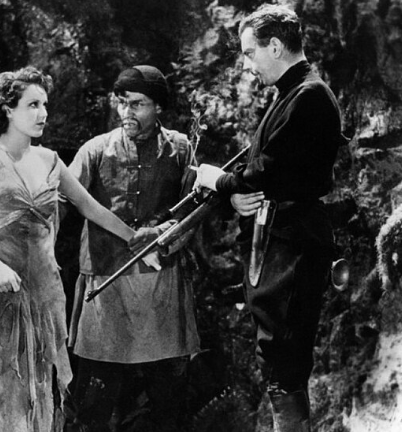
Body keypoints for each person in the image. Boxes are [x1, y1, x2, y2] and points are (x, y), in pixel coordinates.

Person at [0, 66, 140, 432]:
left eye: (45, 104)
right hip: (2, 290)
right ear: (7, 109)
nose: (43, 113)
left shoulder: (50, 159)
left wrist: (136, 238)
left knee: (42, 394)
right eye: (32, 105)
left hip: (46, 291)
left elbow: (91, 208)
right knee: (6, 395)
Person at [194, 5, 348, 432]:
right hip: (281, 240)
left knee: (285, 357)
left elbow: (268, 171)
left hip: (294, 246)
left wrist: (220, 181)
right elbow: (268, 173)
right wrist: (237, 194)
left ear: (275, 46)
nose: (247, 64)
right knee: (279, 356)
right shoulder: (292, 93)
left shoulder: (308, 96)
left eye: (250, 53)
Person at [65, 65, 201, 432]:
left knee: (166, 398)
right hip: (106, 284)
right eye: (122, 103)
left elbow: (194, 209)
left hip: (161, 286)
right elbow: (60, 199)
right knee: (93, 400)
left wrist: (167, 231)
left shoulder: (180, 149)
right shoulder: (95, 150)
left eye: (137, 104)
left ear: (159, 107)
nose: (127, 113)